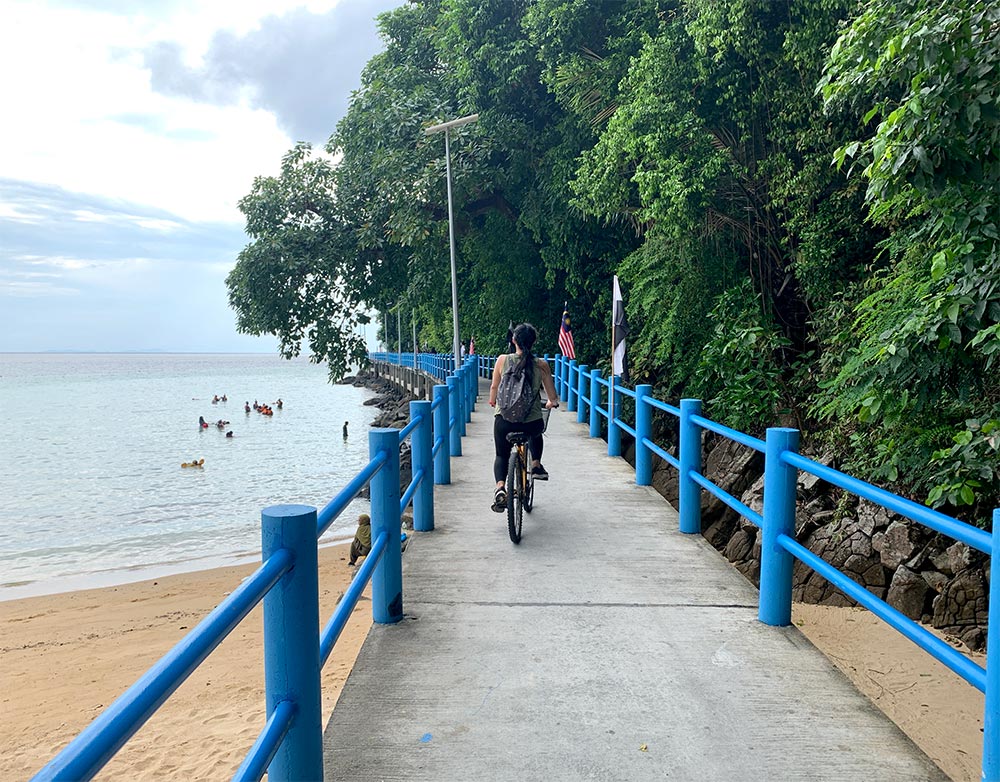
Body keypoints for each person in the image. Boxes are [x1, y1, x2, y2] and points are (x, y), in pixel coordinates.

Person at [488, 322, 559, 512]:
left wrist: (493, 401)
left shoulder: (502, 360)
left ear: (513, 340)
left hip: (504, 421)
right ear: (533, 342)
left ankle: (500, 488)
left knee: (501, 454)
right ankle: (535, 465)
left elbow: (494, 387)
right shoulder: (541, 365)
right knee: (537, 432)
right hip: (530, 422)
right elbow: (552, 395)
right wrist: (552, 402)